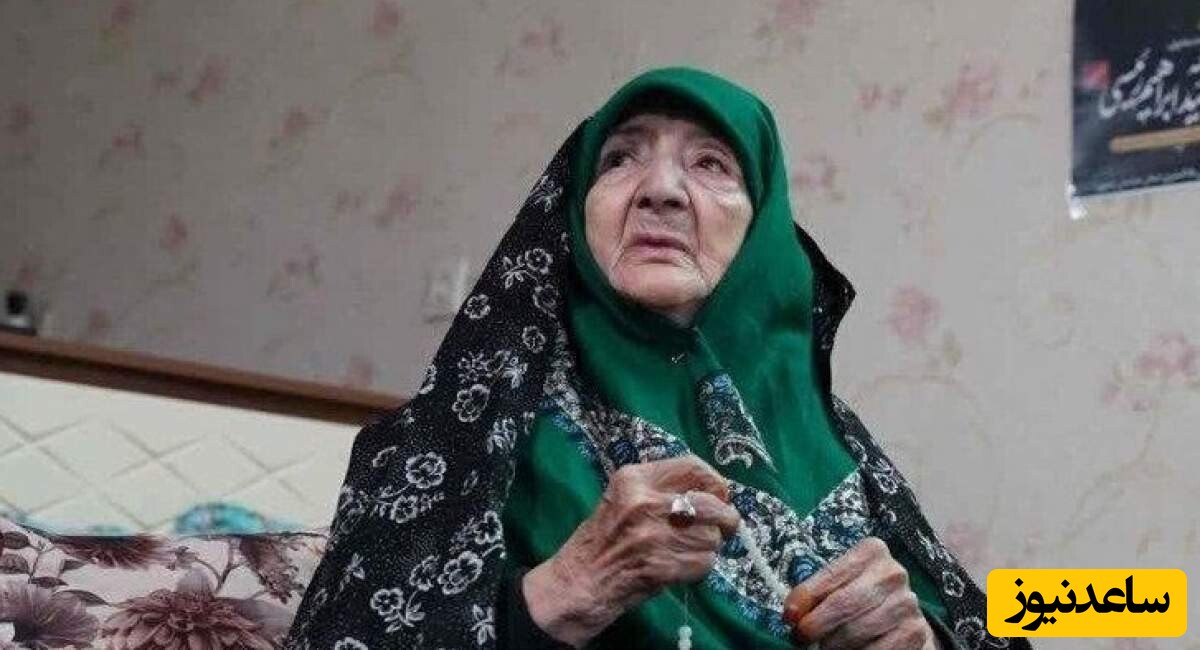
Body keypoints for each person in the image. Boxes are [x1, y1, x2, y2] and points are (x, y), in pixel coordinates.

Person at [286, 67, 1028, 650]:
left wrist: (921, 641)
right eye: (619, 160)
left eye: (711, 164)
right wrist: (568, 590)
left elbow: (995, 628)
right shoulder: (465, 428)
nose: (661, 191)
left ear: (764, 230)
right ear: (576, 209)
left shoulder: (836, 443)